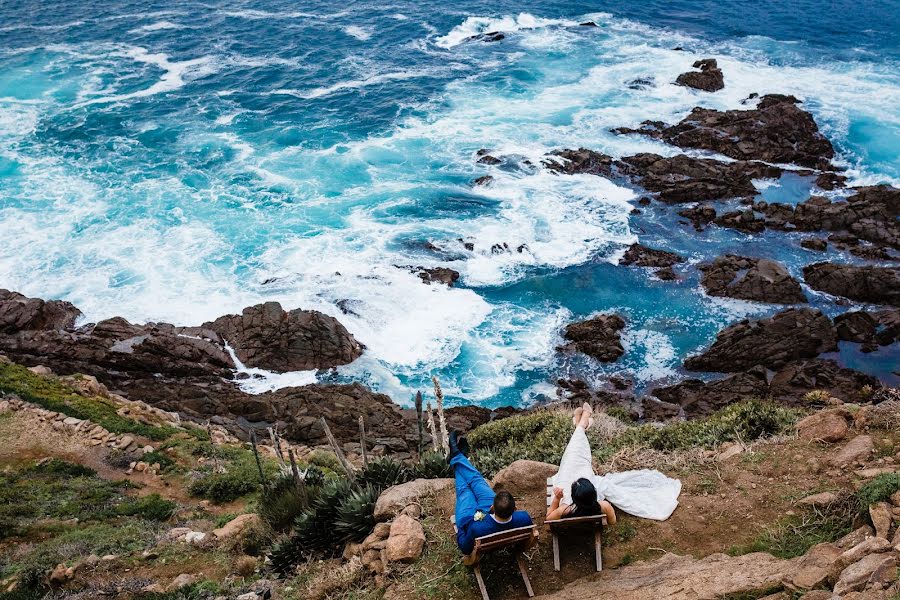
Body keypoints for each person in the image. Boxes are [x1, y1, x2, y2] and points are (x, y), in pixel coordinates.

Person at [449, 430, 533, 555]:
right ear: (515, 508)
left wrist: (461, 528)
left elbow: (465, 548)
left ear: (492, 506)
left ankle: (457, 456)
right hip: (490, 518)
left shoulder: (475, 528)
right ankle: (458, 456)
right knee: (477, 481)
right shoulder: (524, 518)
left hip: (470, 519)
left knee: (465, 489)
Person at [545, 403, 617, 524]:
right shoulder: (603, 506)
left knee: (571, 458)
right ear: (594, 494)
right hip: (591, 522)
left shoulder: (565, 509)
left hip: (569, 524)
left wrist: (557, 498)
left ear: (573, 498)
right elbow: (612, 522)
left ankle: (581, 425)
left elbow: (548, 519)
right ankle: (582, 424)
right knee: (580, 461)